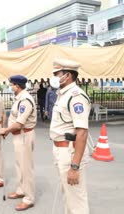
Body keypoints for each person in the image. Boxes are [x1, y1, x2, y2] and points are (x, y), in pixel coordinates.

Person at [49, 59, 91, 214]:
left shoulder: (76, 96)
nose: (53, 77)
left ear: (67, 76)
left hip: (70, 152)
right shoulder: (63, 94)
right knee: (68, 197)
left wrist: (75, 167)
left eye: (56, 74)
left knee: (77, 202)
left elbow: (82, 132)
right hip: (62, 150)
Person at [0, 75, 37, 211]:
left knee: (26, 168)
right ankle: (21, 190)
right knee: (19, 166)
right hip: (18, 136)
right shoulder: (19, 99)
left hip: (24, 135)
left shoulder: (25, 100)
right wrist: (9, 131)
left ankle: (29, 198)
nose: (10, 87)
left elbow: (20, 123)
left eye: (11, 85)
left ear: (17, 85)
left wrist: (6, 130)